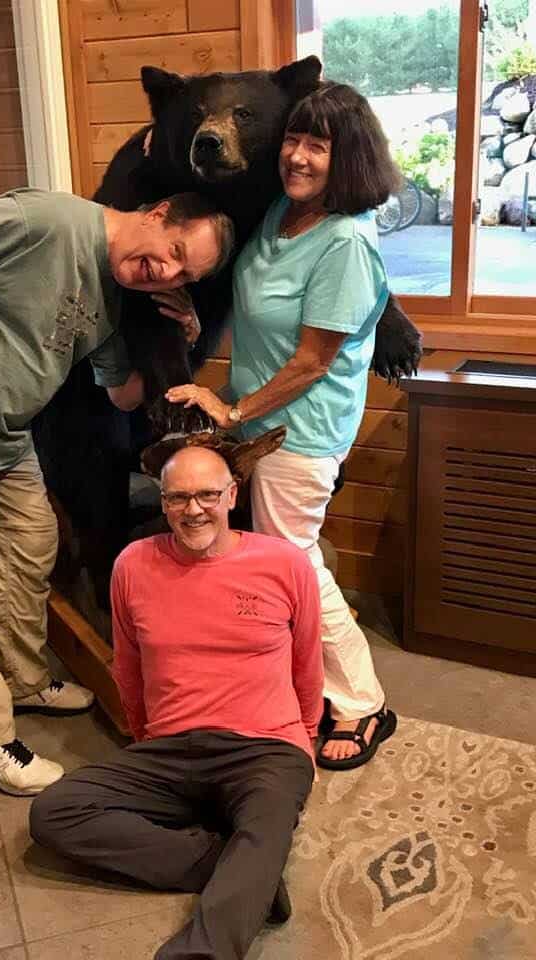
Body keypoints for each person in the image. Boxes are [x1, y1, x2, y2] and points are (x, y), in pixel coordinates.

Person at [0, 188, 235, 797]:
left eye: (181, 272)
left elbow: (123, 394)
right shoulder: (49, 221)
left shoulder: (121, 296)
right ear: (158, 212)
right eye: (171, 250)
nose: (164, 271)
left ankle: (21, 678)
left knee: (34, 542)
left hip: (3, 431)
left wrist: (187, 337)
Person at [165, 81, 400, 771]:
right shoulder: (280, 214)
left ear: (348, 157)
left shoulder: (345, 244)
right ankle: (306, 685)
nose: (297, 156)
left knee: (295, 566)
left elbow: (310, 362)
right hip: (258, 424)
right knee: (279, 564)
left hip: (299, 431)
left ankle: (362, 703)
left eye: (317, 146)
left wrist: (232, 411)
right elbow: (253, 308)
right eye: (294, 140)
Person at [30, 442, 323, 960]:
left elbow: (306, 661)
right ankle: (240, 871)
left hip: (265, 746)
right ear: (162, 502)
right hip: (171, 749)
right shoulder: (134, 565)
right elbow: (128, 666)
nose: (193, 510)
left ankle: (202, 948)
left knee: (267, 823)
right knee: (56, 812)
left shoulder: (283, 563)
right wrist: (145, 738)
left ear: (232, 494)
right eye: (178, 497)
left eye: (207, 494)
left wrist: (305, 738)